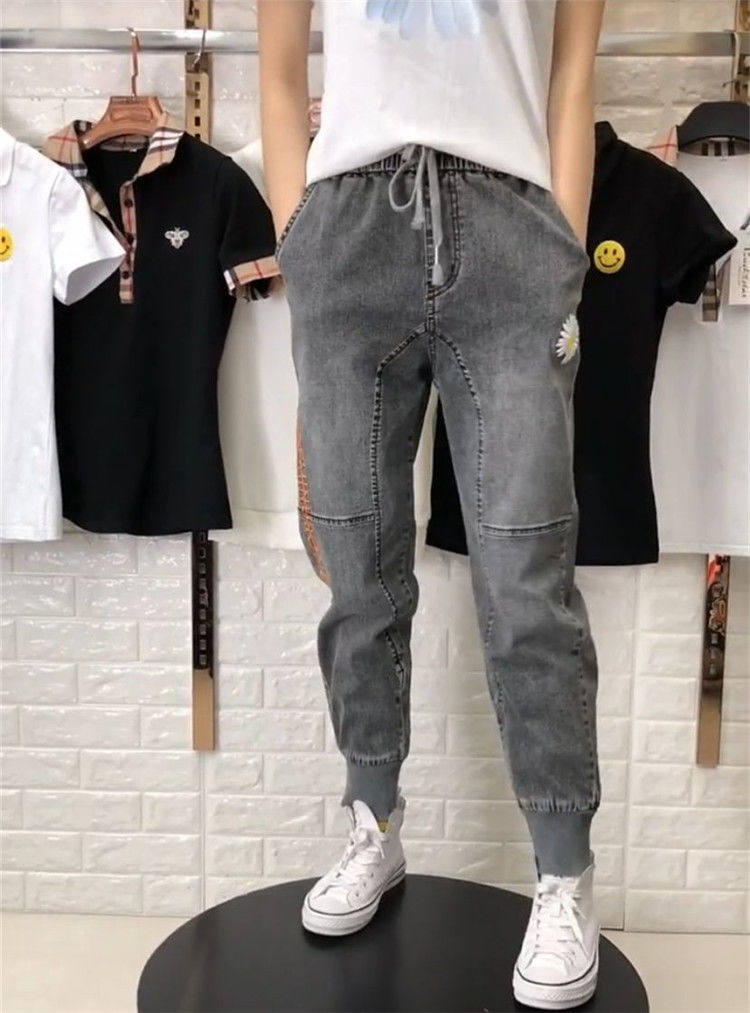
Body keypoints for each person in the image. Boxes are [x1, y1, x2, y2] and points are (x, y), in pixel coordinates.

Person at [258, 1, 605, 1007]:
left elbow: (572, 79)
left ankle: (564, 872)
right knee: (358, 565)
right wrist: (299, 240)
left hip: (512, 233)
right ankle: (373, 819)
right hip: (349, 229)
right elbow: (278, 74)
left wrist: (562, 255)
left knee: (527, 575)